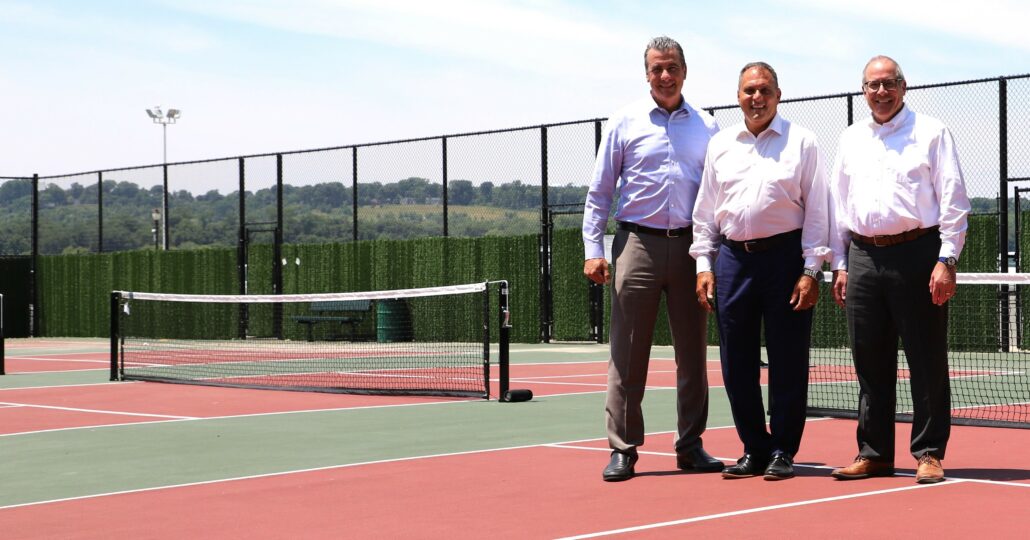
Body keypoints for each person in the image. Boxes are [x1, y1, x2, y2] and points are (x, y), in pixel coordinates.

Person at [583, 35, 723, 481]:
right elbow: (600, 192)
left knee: (694, 353)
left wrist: (711, 255)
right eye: (657, 68)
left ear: (685, 71)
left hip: (691, 249)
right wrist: (593, 250)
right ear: (646, 74)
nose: (665, 75)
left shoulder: (709, 126)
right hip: (635, 245)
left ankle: (690, 445)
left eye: (673, 67)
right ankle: (623, 448)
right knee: (627, 353)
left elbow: (719, 193)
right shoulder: (623, 122)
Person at [828, 55, 970, 484]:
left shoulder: (931, 132)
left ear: (903, 87)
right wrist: (839, 263)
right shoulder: (850, 138)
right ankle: (874, 453)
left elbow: (954, 201)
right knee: (869, 361)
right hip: (863, 258)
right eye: (872, 85)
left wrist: (947, 259)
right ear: (864, 90)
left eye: (889, 83)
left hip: (918, 253)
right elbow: (839, 205)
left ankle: (928, 452)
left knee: (926, 359)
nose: (881, 92)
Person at [690, 62, 829, 480]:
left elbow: (819, 211)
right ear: (738, 96)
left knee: (788, 358)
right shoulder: (721, 145)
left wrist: (811, 270)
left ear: (778, 95)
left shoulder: (803, 142)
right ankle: (753, 447)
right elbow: (706, 212)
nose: (757, 97)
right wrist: (703, 263)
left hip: (786, 259)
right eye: (749, 90)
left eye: (764, 90)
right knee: (736, 361)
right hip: (732, 260)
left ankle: (784, 449)